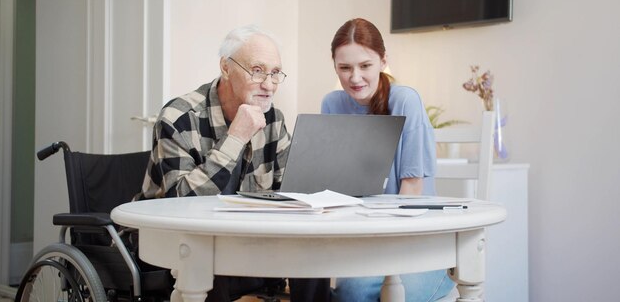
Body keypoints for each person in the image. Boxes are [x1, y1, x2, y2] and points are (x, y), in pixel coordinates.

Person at [135, 24, 330, 302]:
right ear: (226, 68)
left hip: (244, 241)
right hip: (176, 244)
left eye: (275, 73)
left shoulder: (272, 118)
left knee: (314, 256)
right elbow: (180, 203)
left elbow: (293, 189)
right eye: (258, 70)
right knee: (216, 258)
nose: (269, 84)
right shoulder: (179, 118)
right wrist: (235, 136)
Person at [321, 18, 455, 302]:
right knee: (351, 293)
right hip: (360, 245)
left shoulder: (405, 101)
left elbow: (413, 189)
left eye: (365, 66)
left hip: (414, 245)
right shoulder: (331, 104)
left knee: (358, 292)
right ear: (335, 66)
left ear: (383, 61)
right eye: (345, 68)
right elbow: (331, 190)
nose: (355, 78)